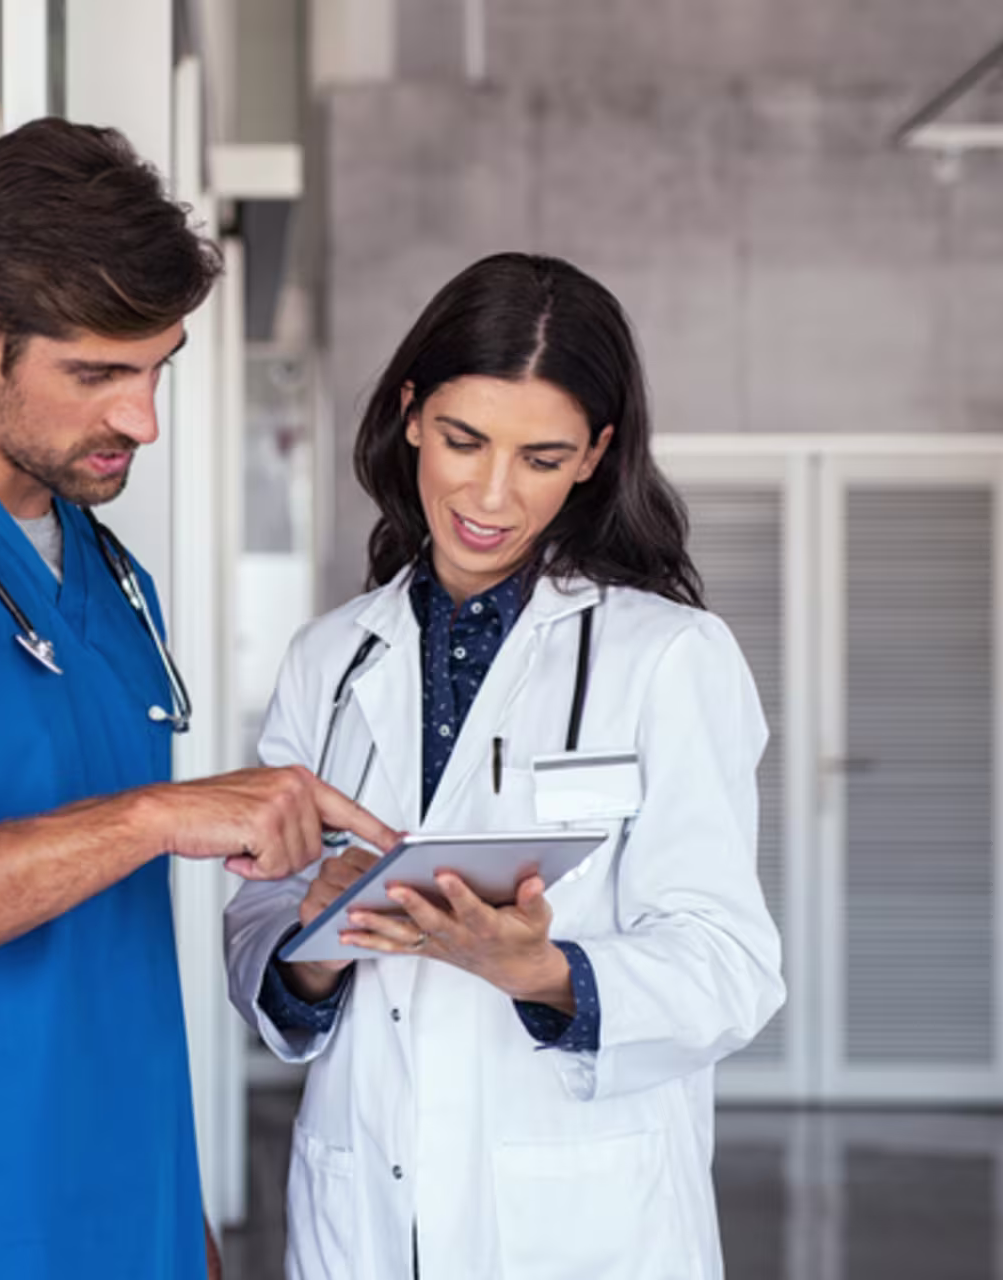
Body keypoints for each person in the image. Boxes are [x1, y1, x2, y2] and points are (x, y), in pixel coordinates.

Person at [0, 118, 393, 1280]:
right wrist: (154, 815)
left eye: (159, 365)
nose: (141, 417)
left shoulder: (111, 579)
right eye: (98, 373)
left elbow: (110, 956)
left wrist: (183, 1226)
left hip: (128, 1223)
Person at [224, 253, 785, 1279]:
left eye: (541, 455)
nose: (489, 492)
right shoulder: (331, 657)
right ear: (409, 415)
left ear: (594, 456)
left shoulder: (668, 656)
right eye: (463, 439)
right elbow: (257, 928)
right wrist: (318, 936)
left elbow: (731, 966)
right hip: (366, 1212)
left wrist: (539, 968)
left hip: (584, 1221)